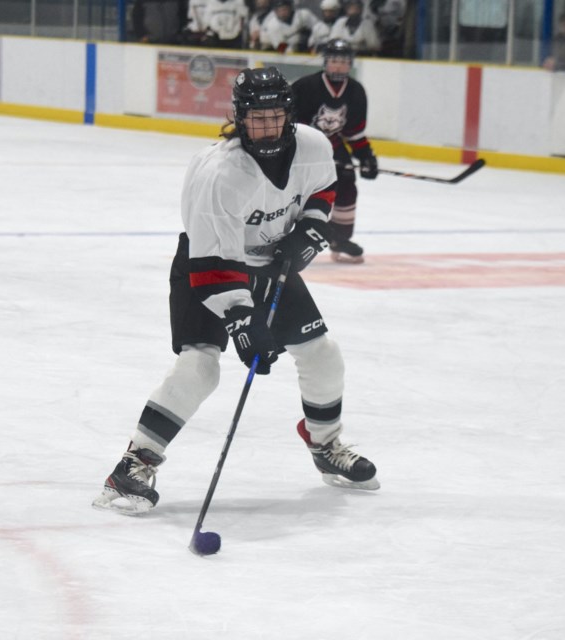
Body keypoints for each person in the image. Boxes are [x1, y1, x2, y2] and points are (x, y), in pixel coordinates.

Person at [93, 66, 379, 515]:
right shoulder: (219, 174)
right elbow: (210, 265)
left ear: (289, 114)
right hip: (208, 266)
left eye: (275, 116)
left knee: (323, 353)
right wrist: (244, 323)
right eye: (255, 117)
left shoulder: (313, 145)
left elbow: (324, 189)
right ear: (239, 118)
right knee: (200, 367)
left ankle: (324, 443)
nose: (266, 126)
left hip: (266, 265)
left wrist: (309, 231)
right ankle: (134, 463)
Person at [291, 38, 377, 263]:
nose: (338, 66)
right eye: (334, 61)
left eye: (343, 62)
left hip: (333, 146)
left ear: (350, 64)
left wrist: (366, 156)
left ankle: (339, 238)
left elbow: (353, 132)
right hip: (302, 146)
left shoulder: (356, 91)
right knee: (298, 191)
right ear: (326, 63)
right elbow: (288, 126)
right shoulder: (305, 87)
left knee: (347, 182)